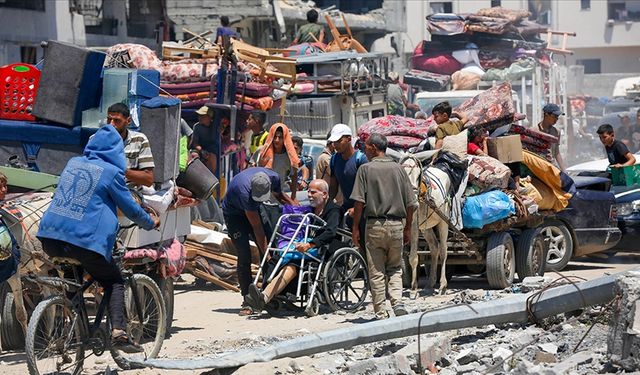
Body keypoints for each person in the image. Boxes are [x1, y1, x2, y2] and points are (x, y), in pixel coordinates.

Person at [37, 125, 159, 352]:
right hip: (84, 242)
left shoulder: (73, 163)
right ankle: (119, 332)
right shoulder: (112, 173)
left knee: (74, 280)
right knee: (114, 282)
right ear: (116, 151)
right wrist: (151, 222)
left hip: (50, 239)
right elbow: (131, 209)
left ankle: (77, 331)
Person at [244, 179, 340, 313]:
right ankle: (265, 295)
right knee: (275, 259)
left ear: (324, 194)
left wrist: (311, 244)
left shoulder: (333, 210)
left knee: (292, 266)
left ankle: (265, 298)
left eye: (313, 192)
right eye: (308, 191)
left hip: (321, 250)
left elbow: (331, 232)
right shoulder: (310, 210)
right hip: (304, 247)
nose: (309, 195)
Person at [351, 133, 417, 320]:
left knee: (377, 271)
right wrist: (407, 228)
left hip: (374, 226)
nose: (364, 149)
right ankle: (397, 301)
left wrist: (355, 228)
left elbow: (358, 202)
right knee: (395, 267)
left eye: (366, 146)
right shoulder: (398, 169)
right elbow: (411, 203)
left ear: (373, 147)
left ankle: (380, 312)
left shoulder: (365, 169)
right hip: (396, 225)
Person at [221, 168, 297, 316]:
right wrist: (266, 252)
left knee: (271, 246)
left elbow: (280, 196)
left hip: (255, 208)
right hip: (235, 216)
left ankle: (268, 293)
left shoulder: (273, 176)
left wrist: (295, 207)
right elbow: (257, 228)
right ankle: (248, 299)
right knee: (245, 255)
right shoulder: (244, 192)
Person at [328, 124, 367, 233]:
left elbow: (369, 189)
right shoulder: (334, 159)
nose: (335, 145)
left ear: (349, 139)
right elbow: (333, 186)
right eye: (334, 142)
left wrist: (358, 208)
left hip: (364, 210)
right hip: (347, 209)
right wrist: (328, 204)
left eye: (339, 141)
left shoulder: (361, 160)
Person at [106, 103, 155, 188]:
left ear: (128, 121)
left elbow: (148, 179)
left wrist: (118, 170)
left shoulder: (139, 140)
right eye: (109, 120)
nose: (111, 124)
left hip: (129, 190)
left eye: (116, 120)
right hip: (104, 190)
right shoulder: (95, 140)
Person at [538, 103, 567, 171]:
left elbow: (556, 152)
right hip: (538, 168)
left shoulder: (556, 132)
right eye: (555, 116)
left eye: (557, 117)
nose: (556, 119)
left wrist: (564, 170)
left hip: (551, 167)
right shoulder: (534, 131)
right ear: (546, 114)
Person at [190, 106, 218, 174]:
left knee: (212, 157)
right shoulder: (197, 127)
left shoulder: (215, 126)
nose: (199, 118)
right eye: (199, 116)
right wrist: (202, 151)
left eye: (202, 116)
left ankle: (213, 178)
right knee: (194, 155)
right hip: (201, 149)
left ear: (209, 117)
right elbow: (195, 143)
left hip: (213, 150)